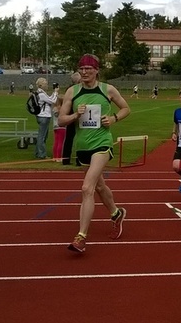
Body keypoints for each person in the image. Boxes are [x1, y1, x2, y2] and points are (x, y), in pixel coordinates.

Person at [57, 54, 130, 253]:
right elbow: (61, 120)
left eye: (88, 69)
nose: (84, 72)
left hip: (102, 144)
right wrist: (75, 114)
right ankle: (116, 213)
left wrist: (113, 119)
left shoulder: (108, 89)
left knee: (87, 187)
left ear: (97, 71)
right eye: (81, 69)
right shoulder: (72, 91)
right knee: (99, 185)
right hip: (82, 146)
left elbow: (126, 108)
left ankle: (81, 237)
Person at [33, 77, 58, 159]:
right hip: (44, 116)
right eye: (45, 84)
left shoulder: (40, 93)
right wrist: (55, 92)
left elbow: (50, 99)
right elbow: (53, 101)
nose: (47, 85)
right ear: (41, 85)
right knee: (42, 136)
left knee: (42, 136)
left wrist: (54, 93)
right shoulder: (42, 94)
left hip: (41, 115)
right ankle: (41, 154)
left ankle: (38, 152)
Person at [61, 72, 81, 165]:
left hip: (73, 115)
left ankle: (67, 159)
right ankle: (74, 159)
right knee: (73, 137)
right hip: (74, 115)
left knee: (69, 138)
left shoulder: (69, 89)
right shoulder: (74, 90)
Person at [52, 94, 66, 162]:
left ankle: (54, 157)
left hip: (55, 126)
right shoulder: (62, 109)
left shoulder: (54, 108)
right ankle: (59, 157)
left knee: (56, 142)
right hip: (62, 127)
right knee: (60, 142)